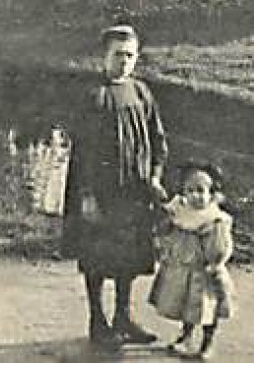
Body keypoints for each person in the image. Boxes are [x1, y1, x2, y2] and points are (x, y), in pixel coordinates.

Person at [62, 22, 169, 349]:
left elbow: (157, 139)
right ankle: (98, 320)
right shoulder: (93, 96)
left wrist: (154, 176)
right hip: (101, 191)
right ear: (103, 57)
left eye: (130, 55)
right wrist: (87, 196)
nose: (124, 62)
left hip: (134, 191)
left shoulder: (141, 93)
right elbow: (82, 153)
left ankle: (123, 317)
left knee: (129, 254)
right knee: (96, 254)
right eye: (118, 55)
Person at [149, 163, 236, 361]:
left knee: (207, 309)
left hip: (204, 271)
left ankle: (207, 344)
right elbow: (167, 232)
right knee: (186, 306)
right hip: (182, 268)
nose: (195, 196)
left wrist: (215, 262)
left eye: (201, 191)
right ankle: (185, 336)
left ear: (211, 194)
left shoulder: (214, 219)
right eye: (190, 190)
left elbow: (220, 246)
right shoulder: (180, 211)